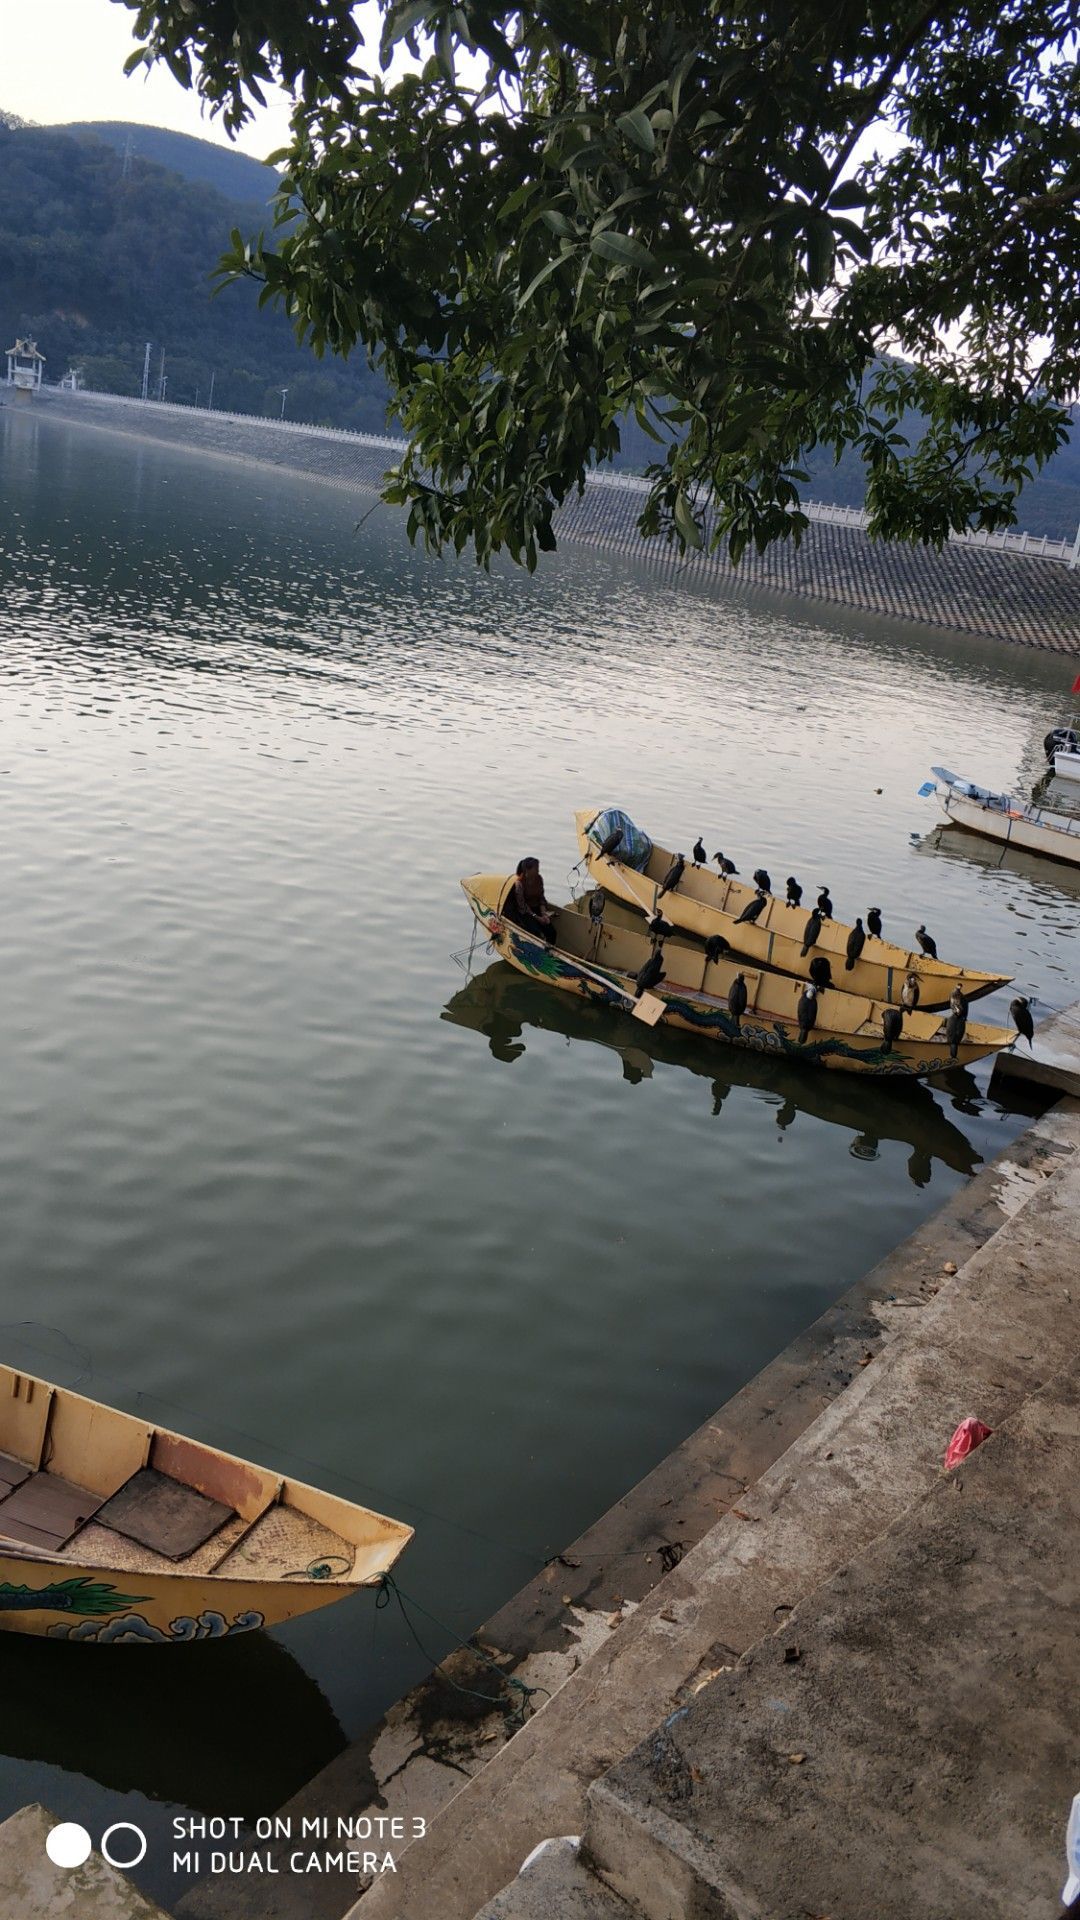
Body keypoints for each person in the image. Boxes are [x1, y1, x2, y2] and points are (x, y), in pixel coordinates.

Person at [503, 858, 557, 943]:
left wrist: (544, 914)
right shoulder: (519, 883)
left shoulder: (539, 879)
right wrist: (537, 918)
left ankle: (550, 950)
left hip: (537, 908)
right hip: (526, 912)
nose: (538, 870)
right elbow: (522, 905)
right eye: (536, 868)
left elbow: (541, 897)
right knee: (536, 933)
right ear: (527, 870)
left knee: (552, 932)